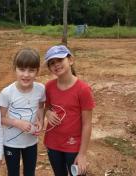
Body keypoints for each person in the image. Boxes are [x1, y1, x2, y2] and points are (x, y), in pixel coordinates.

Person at [43, 45, 95, 176]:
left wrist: (82, 154)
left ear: (71, 60)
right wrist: (48, 113)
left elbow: (87, 123)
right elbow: (46, 107)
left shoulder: (83, 89)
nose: (56, 65)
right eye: (52, 63)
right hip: (53, 143)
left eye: (60, 60)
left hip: (73, 146)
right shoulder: (49, 87)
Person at [0, 48, 45, 176]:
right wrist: (17, 123)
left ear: (37, 71)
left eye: (31, 70)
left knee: (30, 172)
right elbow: (0, 118)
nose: (26, 75)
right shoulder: (7, 92)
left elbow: (41, 107)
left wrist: (40, 121)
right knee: (13, 172)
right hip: (11, 142)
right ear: (15, 69)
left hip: (31, 141)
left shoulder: (40, 89)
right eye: (22, 69)